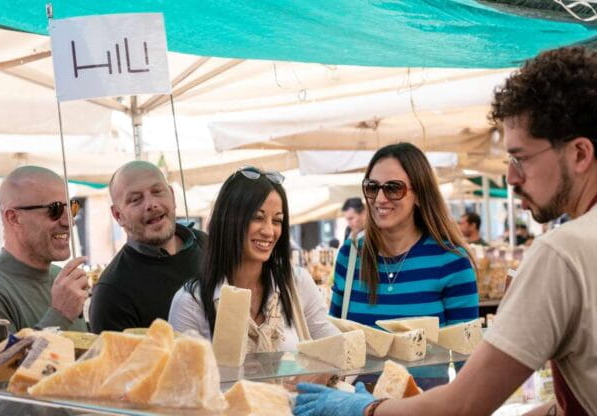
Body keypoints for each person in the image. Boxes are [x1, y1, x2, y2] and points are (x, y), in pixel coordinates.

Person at [295, 46, 597, 416]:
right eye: (371, 188)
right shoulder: (351, 254)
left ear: (580, 154)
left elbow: (465, 403)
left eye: (520, 158)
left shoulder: (560, 253)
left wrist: (363, 410)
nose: (511, 177)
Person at [169, 166, 339, 351]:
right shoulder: (191, 302)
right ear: (228, 220)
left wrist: (319, 374)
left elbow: (338, 349)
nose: (268, 231)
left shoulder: (296, 283)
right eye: (257, 218)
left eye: (277, 221)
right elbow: (185, 377)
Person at [330, 142, 479, 327]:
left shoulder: (452, 262)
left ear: (418, 194)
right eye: (372, 187)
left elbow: (465, 349)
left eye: (393, 188)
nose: (380, 199)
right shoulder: (350, 255)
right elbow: (334, 340)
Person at [0, 166, 88, 333]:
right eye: (55, 209)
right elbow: (3, 360)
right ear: (14, 218)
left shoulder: (62, 280)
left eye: (72, 208)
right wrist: (59, 316)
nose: (69, 222)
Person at [89, 161, 206, 333]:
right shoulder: (112, 293)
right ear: (118, 215)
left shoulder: (208, 246)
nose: (151, 204)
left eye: (157, 192)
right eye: (136, 199)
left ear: (172, 196)